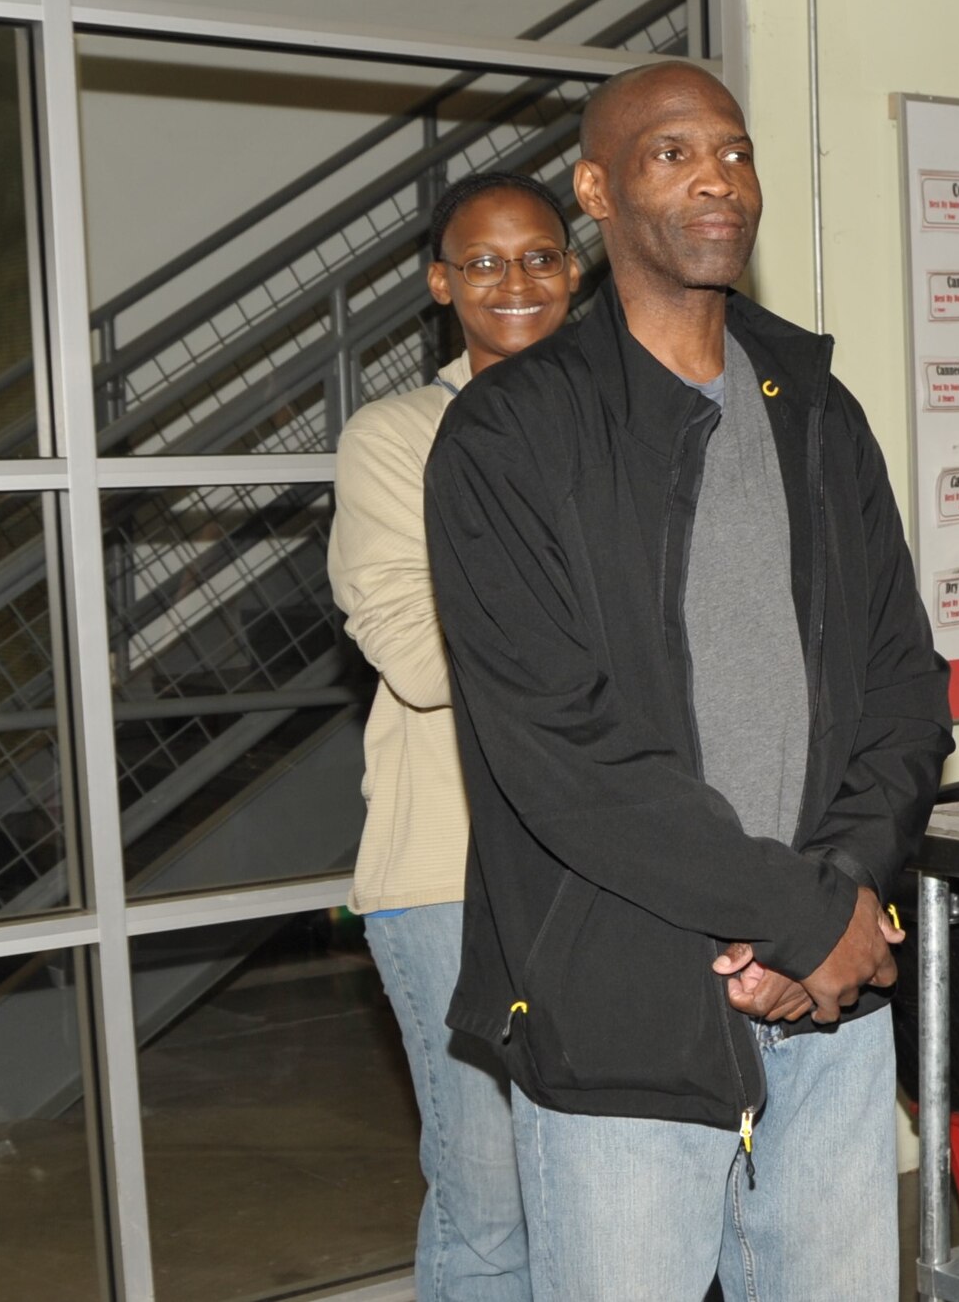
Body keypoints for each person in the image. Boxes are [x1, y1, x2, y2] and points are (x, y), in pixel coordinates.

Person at [422, 60, 954, 1301]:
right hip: (627, 1009)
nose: (717, 175)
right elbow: (562, 752)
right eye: (672, 153)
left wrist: (841, 891)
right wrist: (802, 914)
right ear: (596, 192)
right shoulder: (512, 434)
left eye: (734, 150)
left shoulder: (815, 405)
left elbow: (901, 685)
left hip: (827, 1004)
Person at [328, 169, 581, 1300]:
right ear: (441, 284)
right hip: (450, 875)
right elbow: (425, 657)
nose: (513, 280)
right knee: (491, 1206)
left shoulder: (629, 416)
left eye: (537, 256)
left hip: (605, 868)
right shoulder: (396, 439)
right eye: (482, 261)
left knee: (601, 1182)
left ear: (574, 269)